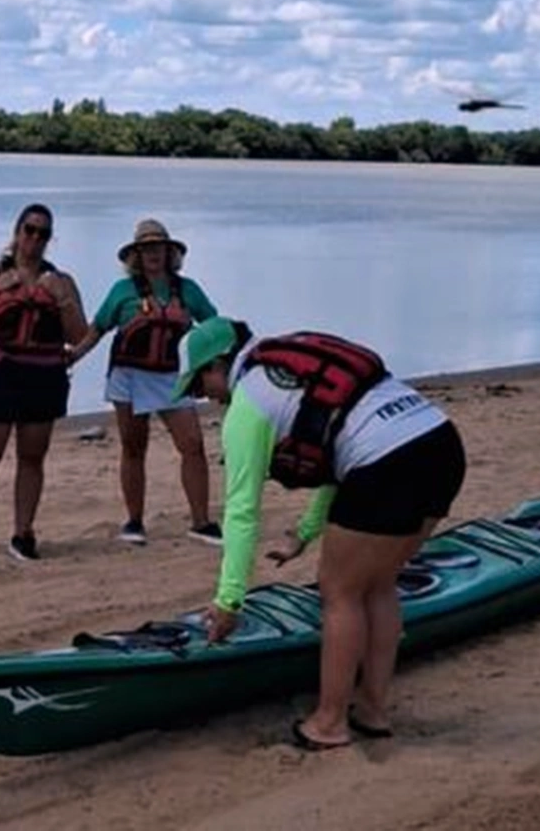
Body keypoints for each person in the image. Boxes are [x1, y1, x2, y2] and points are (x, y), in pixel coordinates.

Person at [173, 318, 466, 750]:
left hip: (388, 463)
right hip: (439, 442)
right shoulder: (291, 360)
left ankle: (329, 723)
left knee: (340, 592)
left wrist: (229, 599)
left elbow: (241, 513)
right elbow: (337, 440)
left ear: (219, 363)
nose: (205, 397)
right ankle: (372, 710)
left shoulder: (247, 407)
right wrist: (305, 531)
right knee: (378, 584)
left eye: (200, 383)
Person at [70, 218, 222, 546]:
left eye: (159, 248)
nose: (153, 253)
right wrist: (72, 357)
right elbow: (97, 328)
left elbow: (215, 328)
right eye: (146, 248)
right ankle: (134, 521)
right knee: (134, 447)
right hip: (130, 376)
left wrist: (222, 368)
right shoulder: (122, 292)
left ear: (170, 253)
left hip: (172, 377)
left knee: (192, 445)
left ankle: (201, 521)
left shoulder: (189, 290)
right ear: (136, 255)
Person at [0, 203, 88, 563]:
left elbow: (78, 335)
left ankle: (23, 532)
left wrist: (62, 301)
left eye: (43, 233)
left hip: (42, 377)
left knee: (32, 457)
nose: (35, 239)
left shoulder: (61, 281)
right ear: (17, 232)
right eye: (29, 230)